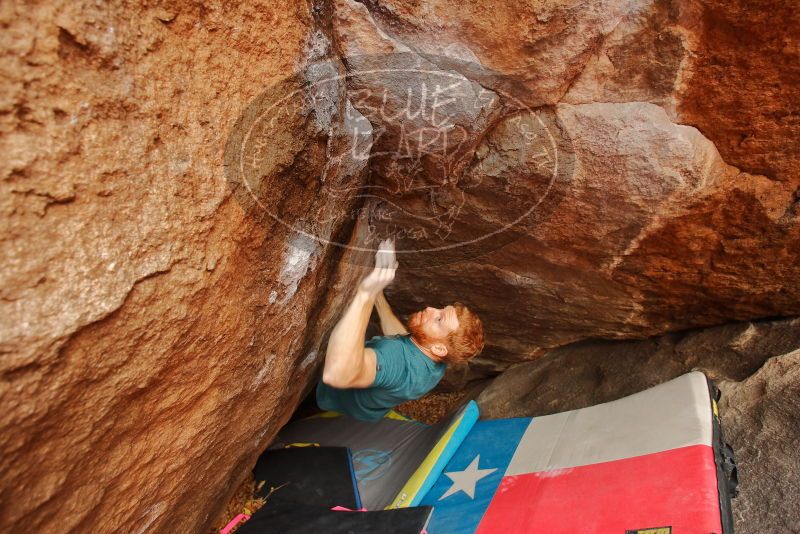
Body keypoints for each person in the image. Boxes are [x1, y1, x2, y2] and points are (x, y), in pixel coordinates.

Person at [315, 239, 485, 421]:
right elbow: (405, 340)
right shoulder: (436, 363)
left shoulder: (396, 360)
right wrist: (378, 297)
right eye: (441, 309)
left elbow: (337, 374)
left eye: (438, 319)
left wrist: (366, 294)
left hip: (331, 396)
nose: (430, 309)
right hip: (367, 410)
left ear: (439, 349)